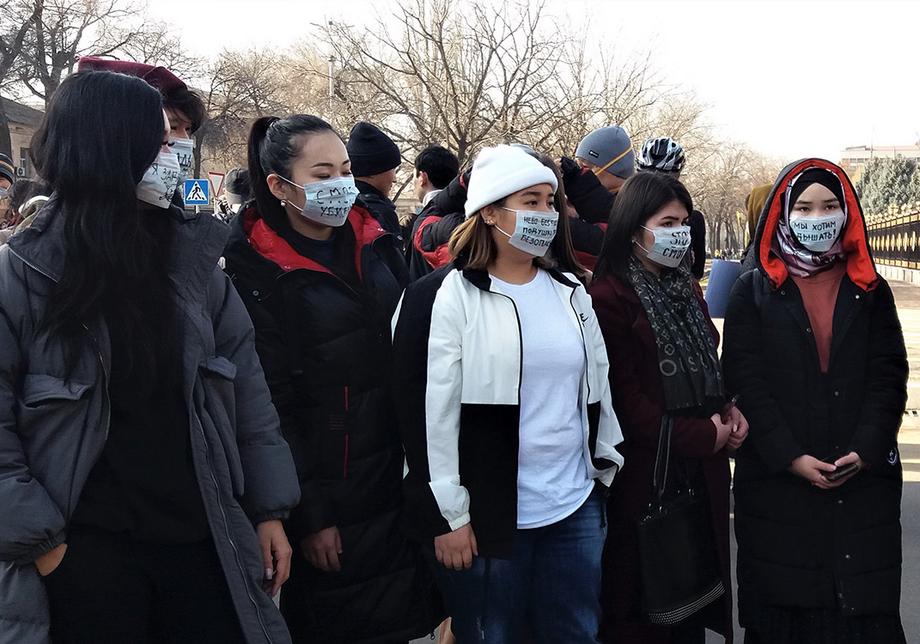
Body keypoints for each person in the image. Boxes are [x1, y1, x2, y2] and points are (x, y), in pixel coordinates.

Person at [0, 70, 300, 644]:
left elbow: (247, 393)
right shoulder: (22, 275)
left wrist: (269, 510)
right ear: (108, 147)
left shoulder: (194, 263)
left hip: (201, 538)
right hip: (82, 554)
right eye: (159, 141)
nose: (176, 154)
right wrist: (46, 549)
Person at [392, 144, 624, 643]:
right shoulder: (440, 297)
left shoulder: (570, 291)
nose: (545, 214)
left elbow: (597, 385)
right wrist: (446, 516)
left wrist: (604, 465)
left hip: (574, 507)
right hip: (486, 518)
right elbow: (424, 415)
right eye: (530, 201)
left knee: (575, 634)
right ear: (490, 212)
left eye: (550, 201)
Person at [223, 114, 440, 644]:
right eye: (322, 175)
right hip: (332, 489)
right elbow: (271, 403)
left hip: (399, 472)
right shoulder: (253, 268)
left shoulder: (378, 240)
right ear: (279, 186)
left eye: (345, 170)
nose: (341, 185)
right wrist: (312, 515)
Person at [722, 160, 908, 644]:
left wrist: (865, 449)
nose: (817, 217)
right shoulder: (753, 290)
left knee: (860, 614)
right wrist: (791, 457)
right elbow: (745, 382)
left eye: (828, 206)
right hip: (778, 487)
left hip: (861, 485)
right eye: (803, 208)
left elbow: (889, 376)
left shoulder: (870, 289)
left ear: (847, 213)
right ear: (783, 214)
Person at [590, 172, 748, 643]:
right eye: (666, 223)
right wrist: (703, 436)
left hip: (702, 473)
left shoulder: (686, 288)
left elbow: (708, 367)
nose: (679, 233)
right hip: (647, 479)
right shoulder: (609, 297)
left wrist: (729, 409)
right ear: (634, 227)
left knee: (691, 601)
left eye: (683, 222)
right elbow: (624, 402)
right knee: (647, 605)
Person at [557, 125, 636, 270]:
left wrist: (555, 220)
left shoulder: (633, 204)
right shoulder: (582, 199)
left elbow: (601, 239)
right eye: (579, 164)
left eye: (589, 166)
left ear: (615, 169)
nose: (583, 171)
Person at [636, 137, 707, 280]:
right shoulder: (623, 213)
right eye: (668, 223)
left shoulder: (694, 219)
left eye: (682, 222)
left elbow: (697, 270)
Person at [347, 121, 404, 241]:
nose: (395, 179)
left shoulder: (342, 207)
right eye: (392, 169)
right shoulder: (379, 213)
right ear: (372, 171)